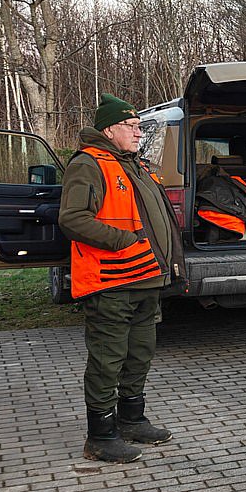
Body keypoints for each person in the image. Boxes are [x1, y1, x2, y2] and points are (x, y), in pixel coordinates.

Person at [59, 92, 181, 464]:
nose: (138, 132)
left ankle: (131, 420)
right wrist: (123, 241)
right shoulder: (88, 164)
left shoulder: (136, 165)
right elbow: (72, 219)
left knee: (139, 355)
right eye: (131, 126)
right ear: (109, 129)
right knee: (107, 360)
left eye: (139, 126)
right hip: (113, 281)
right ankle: (100, 436)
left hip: (146, 279)